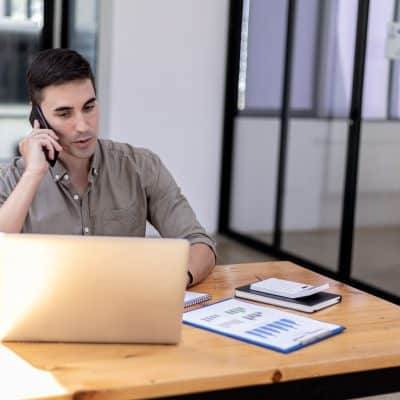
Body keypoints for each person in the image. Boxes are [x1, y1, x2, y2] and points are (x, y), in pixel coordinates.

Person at [0, 48, 216, 287]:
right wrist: (33, 174)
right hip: (40, 315)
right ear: (36, 116)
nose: (83, 126)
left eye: (89, 107)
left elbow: (199, 243)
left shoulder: (141, 166)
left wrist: (175, 283)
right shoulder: (11, 180)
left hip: (124, 310)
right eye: (64, 113)